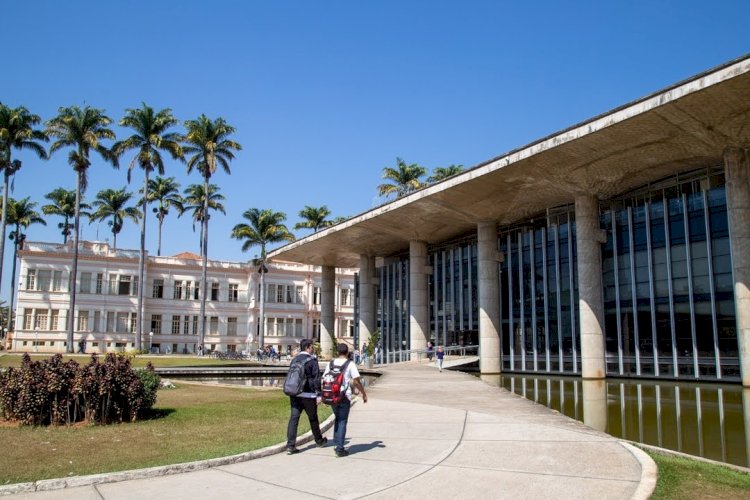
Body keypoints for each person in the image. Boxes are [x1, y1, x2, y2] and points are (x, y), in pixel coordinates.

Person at [324, 343, 368, 457]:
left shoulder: (331, 363)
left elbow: (324, 379)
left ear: (337, 352)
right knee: (342, 420)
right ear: (347, 352)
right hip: (344, 396)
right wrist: (363, 393)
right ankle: (340, 448)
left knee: (337, 419)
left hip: (332, 396)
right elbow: (357, 381)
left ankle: (336, 444)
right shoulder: (350, 364)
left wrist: (324, 396)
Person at [286, 338, 328, 454]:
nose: (313, 348)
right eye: (312, 346)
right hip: (308, 395)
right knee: (313, 418)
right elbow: (316, 378)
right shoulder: (312, 360)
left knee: (294, 419)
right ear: (308, 347)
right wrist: (319, 394)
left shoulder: (295, 359)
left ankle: (290, 445)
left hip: (295, 394)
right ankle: (319, 440)